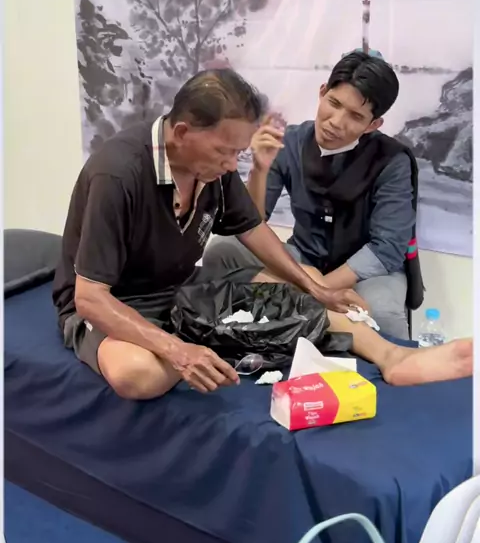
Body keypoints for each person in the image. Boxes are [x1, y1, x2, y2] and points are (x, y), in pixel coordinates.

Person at [53, 68, 472, 402]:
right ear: (182, 133)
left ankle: (393, 356)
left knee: (302, 287)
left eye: (238, 152)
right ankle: (217, 341)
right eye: (225, 152)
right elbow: (91, 298)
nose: (230, 164)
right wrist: (177, 350)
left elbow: (253, 227)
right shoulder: (118, 173)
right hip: (116, 303)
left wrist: (317, 289)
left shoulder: (213, 166)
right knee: (136, 373)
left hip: (181, 290)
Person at [203, 51, 420, 340]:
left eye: (355, 116)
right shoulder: (290, 141)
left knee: (379, 313)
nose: (336, 122)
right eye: (334, 103)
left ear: (373, 125)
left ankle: (395, 364)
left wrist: (317, 290)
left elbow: (387, 248)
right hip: (304, 257)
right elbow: (250, 222)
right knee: (222, 250)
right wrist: (259, 169)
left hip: (366, 272)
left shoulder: (392, 161)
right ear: (322, 92)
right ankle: (229, 339)